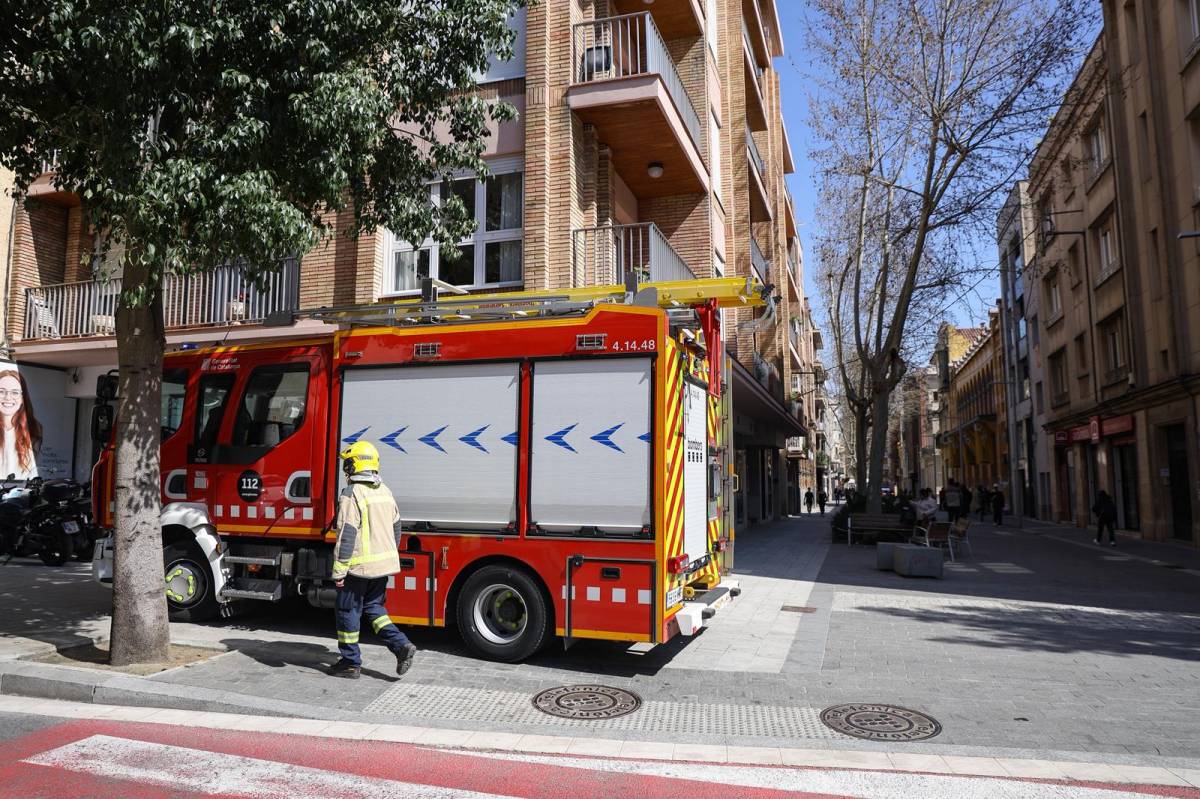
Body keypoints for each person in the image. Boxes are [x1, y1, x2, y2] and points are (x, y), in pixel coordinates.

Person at [329, 440, 417, 679]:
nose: (345, 470)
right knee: (374, 609)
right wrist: (388, 554)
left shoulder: (352, 494)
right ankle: (401, 646)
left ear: (355, 465)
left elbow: (347, 536)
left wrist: (338, 572)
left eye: (347, 465)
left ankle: (350, 663)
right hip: (382, 567)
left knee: (347, 611)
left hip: (358, 568)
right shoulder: (385, 491)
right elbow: (396, 527)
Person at [0, 369, 41, 481]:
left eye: (14, 392)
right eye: (2, 391)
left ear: (23, 398)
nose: (8, 397)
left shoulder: (33, 431)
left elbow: (33, 474)